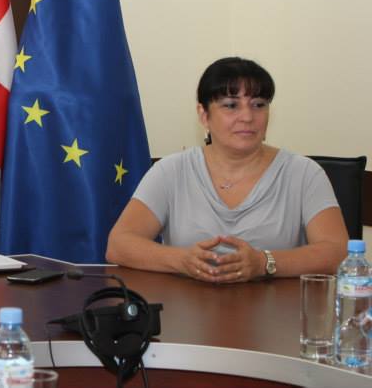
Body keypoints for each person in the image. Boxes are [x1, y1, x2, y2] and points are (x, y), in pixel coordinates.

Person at [105, 57, 347, 282]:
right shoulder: (170, 171)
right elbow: (119, 245)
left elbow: (338, 253)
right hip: (186, 308)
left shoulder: (304, 173)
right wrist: (182, 260)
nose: (247, 117)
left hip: (279, 310)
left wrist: (264, 262)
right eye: (231, 105)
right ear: (204, 115)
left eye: (258, 105)